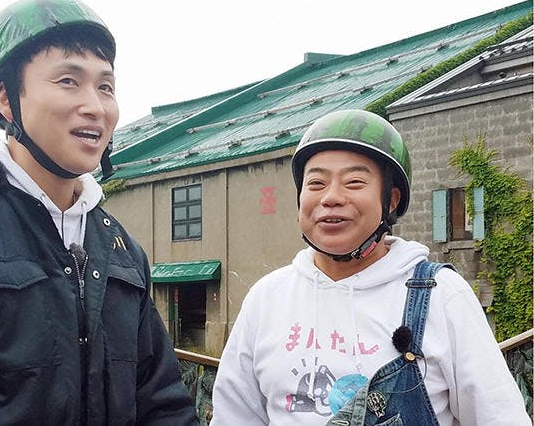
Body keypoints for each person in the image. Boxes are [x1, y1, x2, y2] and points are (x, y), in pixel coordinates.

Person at [0, 0, 198, 425]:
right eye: (68, 80)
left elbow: (163, 402)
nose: (95, 105)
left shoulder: (119, 248)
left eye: (105, 86)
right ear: (6, 99)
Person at [211, 109, 530, 425]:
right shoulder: (267, 298)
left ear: (391, 201)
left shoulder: (441, 296)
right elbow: (233, 417)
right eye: (317, 183)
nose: (331, 197)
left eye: (354, 181)